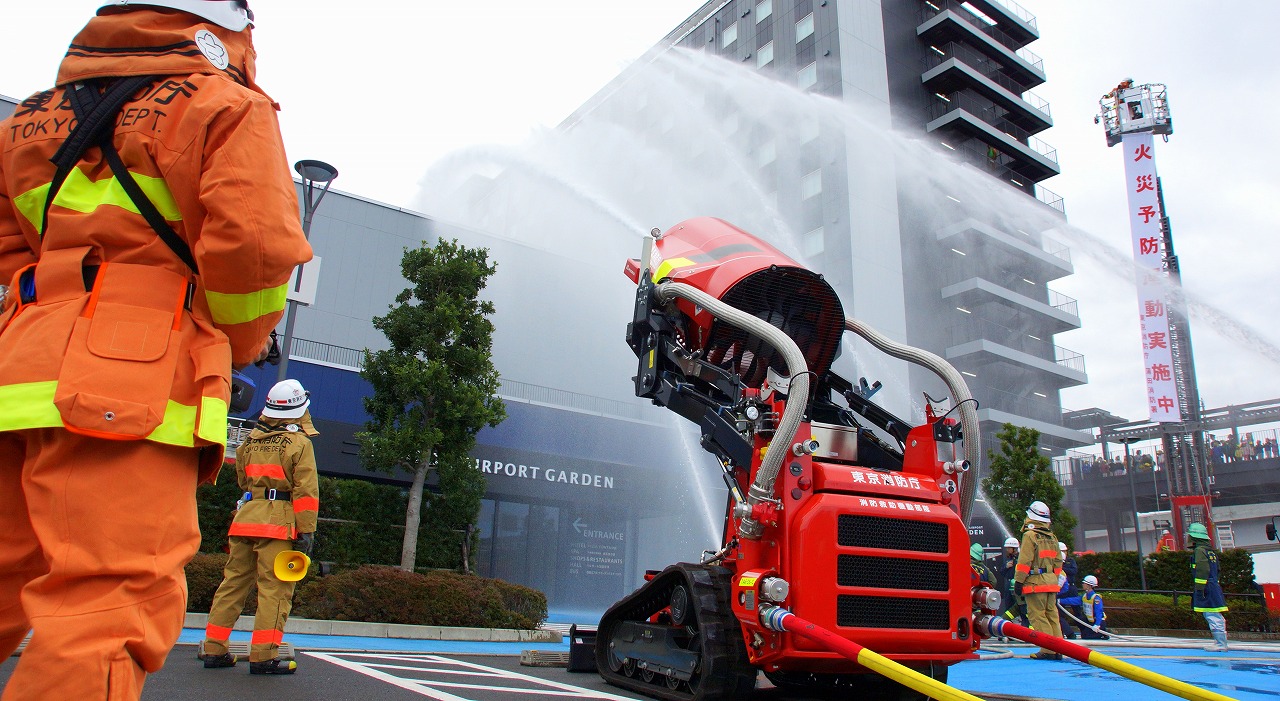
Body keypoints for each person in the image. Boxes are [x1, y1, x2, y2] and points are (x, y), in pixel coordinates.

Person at [0, 2, 311, 698]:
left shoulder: (31, 115)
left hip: (16, 367)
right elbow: (255, 249)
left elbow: (10, 250)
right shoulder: (223, 104)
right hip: (128, 381)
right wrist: (226, 343)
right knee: (104, 605)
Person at [202, 380, 320, 674]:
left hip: (246, 518)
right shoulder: (300, 443)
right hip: (278, 523)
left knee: (232, 585)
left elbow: (244, 482)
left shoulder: (250, 442)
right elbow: (305, 492)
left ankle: (214, 650)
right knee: (275, 590)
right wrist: (306, 531)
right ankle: (264, 656)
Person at [1015, 500, 1064, 660]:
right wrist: (1052, 578)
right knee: (1052, 616)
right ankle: (1059, 649)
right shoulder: (1052, 537)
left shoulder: (1030, 535)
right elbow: (1058, 562)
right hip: (1051, 582)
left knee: (1038, 616)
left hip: (1035, 583)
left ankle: (1048, 650)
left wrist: (1019, 581)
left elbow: (1024, 562)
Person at [1187, 523, 1229, 652]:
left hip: (1206, 587)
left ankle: (1221, 643)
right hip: (1212, 585)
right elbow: (1218, 570)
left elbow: (1202, 570)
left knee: (1211, 614)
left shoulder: (1199, 551)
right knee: (1213, 613)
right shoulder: (1210, 551)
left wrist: (1200, 588)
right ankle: (1220, 642)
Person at [998, 536, 1028, 627]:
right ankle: (1008, 628)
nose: (1007, 550)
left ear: (1014, 548)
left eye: (1008, 548)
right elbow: (1002, 572)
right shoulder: (1009, 559)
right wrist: (1006, 567)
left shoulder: (1021, 558)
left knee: (1021, 609)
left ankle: (1024, 628)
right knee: (1009, 608)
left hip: (1018, 588)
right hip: (1009, 588)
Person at [1056, 542, 1082, 639]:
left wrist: (1062, 568)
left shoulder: (1070, 561)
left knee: (1077, 610)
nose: (1064, 552)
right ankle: (1065, 632)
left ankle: (1083, 629)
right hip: (1061, 589)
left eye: (1064, 551)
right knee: (1060, 611)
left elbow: (1073, 571)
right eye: (1062, 551)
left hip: (1071, 587)